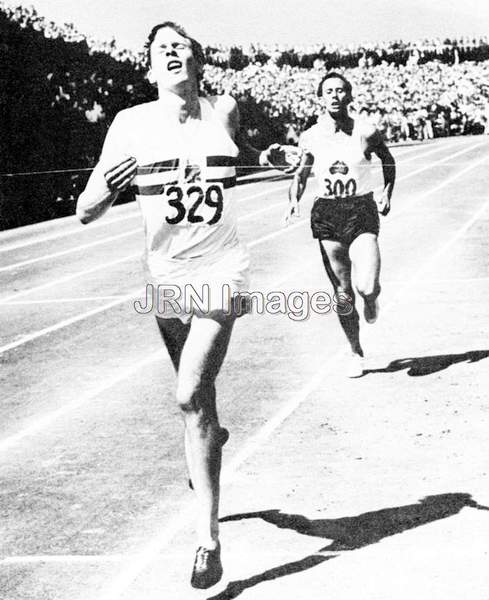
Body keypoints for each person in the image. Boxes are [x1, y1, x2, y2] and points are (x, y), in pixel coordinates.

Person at [76, 22, 301, 590]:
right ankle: (213, 437)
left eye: (183, 47)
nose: (173, 55)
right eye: (161, 50)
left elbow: (240, 157)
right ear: (150, 69)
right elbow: (85, 208)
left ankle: (208, 543)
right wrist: (110, 188)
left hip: (221, 271)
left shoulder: (223, 109)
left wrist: (273, 157)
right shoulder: (131, 124)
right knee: (200, 406)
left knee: (187, 396)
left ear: (200, 62)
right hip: (167, 278)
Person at [286, 72, 395, 378]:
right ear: (320, 98)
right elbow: (301, 173)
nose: (334, 95)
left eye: (340, 91)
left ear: (349, 96)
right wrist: (294, 199)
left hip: (360, 210)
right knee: (343, 293)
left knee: (366, 286)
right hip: (327, 214)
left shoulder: (365, 131)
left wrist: (387, 191)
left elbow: (388, 160)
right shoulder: (309, 136)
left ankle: (372, 300)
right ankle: (355, 351)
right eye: (328, 91)